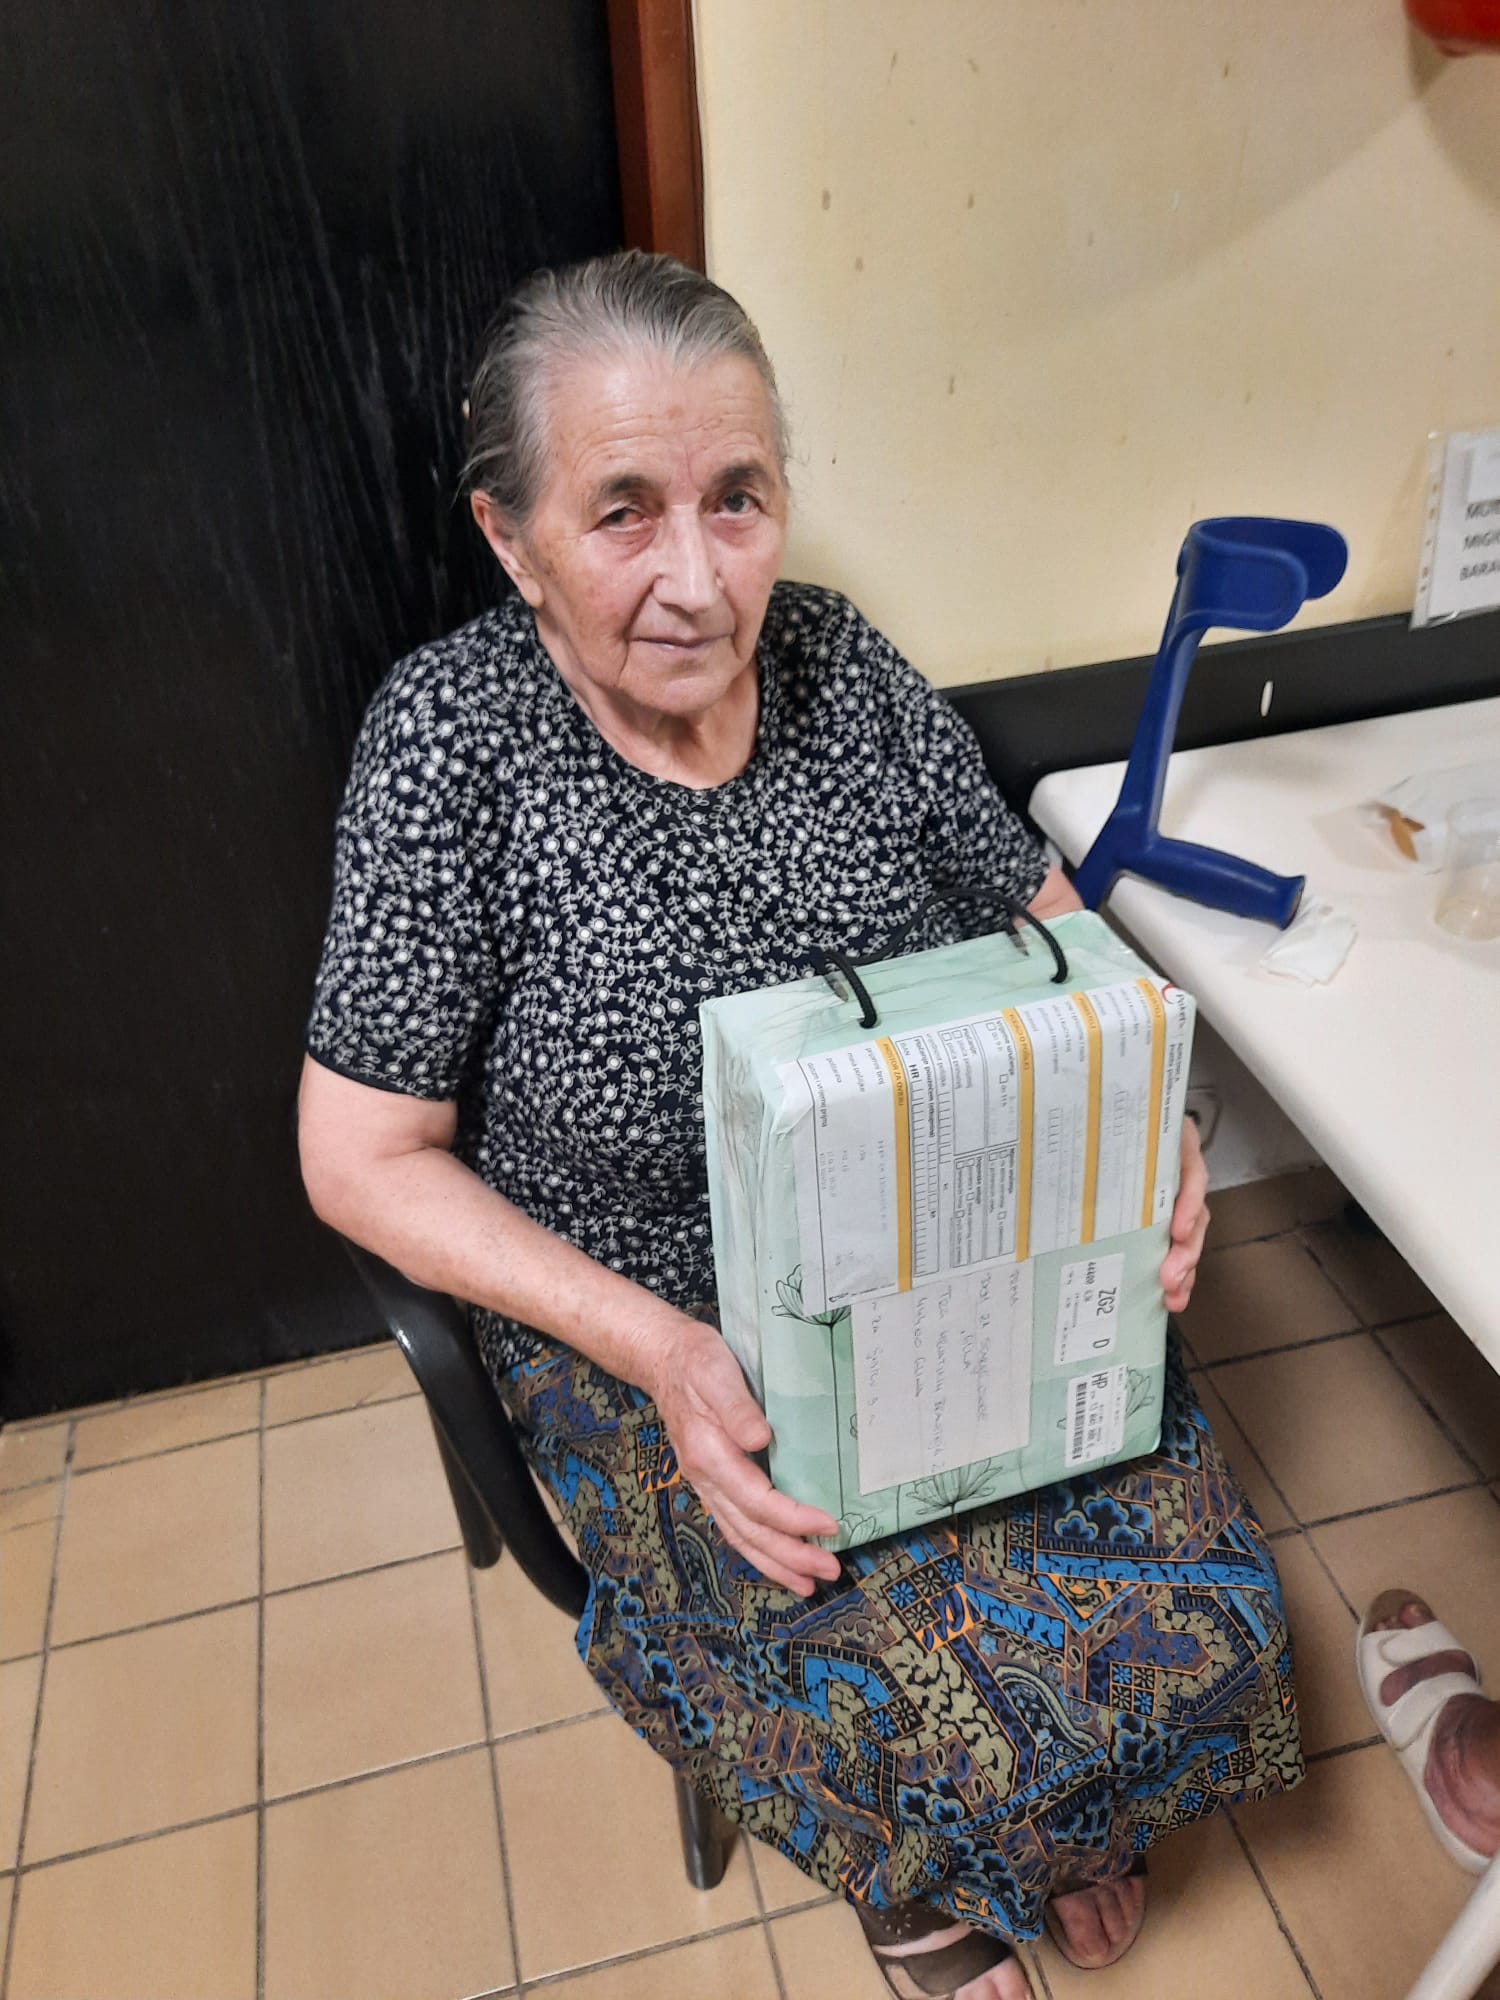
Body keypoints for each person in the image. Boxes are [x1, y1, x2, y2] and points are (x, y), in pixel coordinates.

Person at [298, 251, 1303, 2000]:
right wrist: (662, 1352)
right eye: (623, 511)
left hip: (932, 1230)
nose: (700, 581)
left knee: (1193, 1597)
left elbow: (1055, 922)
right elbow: (357, 1153)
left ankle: (1056, 1817)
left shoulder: (841, 663)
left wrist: (1153, 1132)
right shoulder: (450, 746)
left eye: (739, 500)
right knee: (862, 1666)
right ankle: (921, 1896)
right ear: (510, 539)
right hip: (639, 1304)